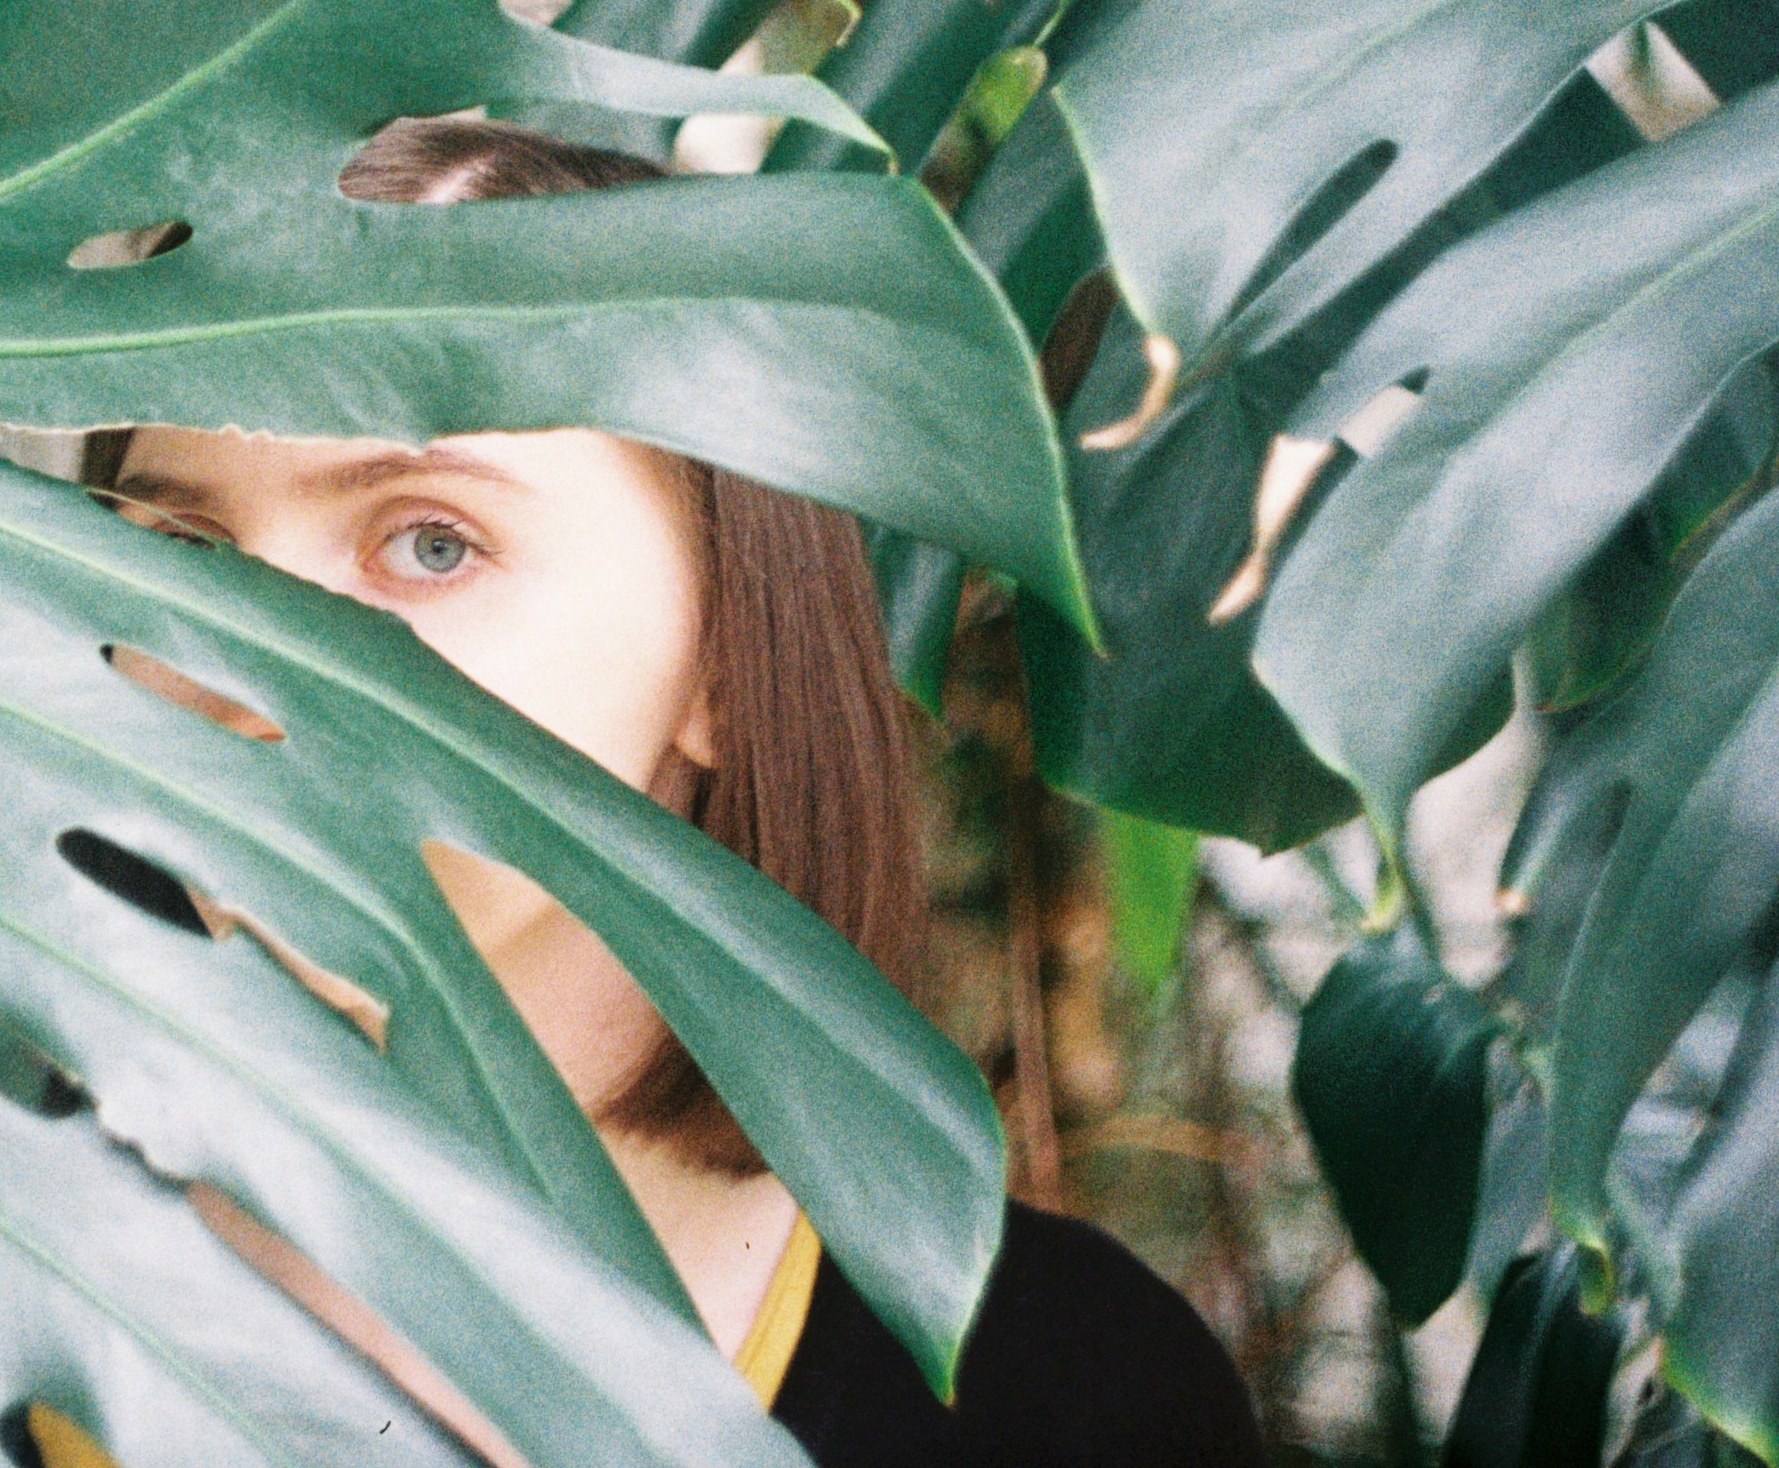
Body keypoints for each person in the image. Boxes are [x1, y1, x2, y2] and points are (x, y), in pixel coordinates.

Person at [89, 117, 1266, 1465]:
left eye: (426, 540)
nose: (248, 661)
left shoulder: (1062, 1395)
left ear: (723, 652)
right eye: (179, 547)